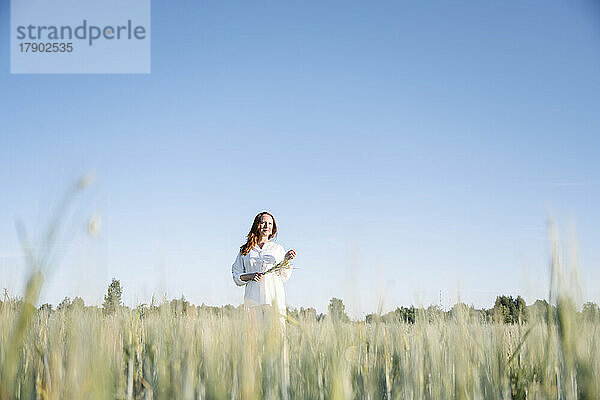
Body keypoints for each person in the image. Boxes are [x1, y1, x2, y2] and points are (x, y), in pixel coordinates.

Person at [231, 211, 296, 327]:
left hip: (273, 300)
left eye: (270, 224)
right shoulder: (246, 250)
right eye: (263, 223)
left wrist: (286, 260)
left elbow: (284, 276)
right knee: (254, 340)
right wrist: (250, 276)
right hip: (253, 301)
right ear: (257, 225)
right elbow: (236, 275)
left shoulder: (277, 249)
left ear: (273, 228)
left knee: (276, 338)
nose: (267, 226)